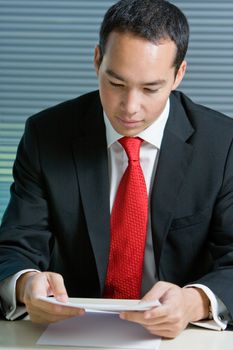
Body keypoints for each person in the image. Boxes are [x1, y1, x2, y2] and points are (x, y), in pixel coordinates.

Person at [0, 0, 233, 339]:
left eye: (151, 88)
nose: (130, 107)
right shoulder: (46, 135)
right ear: (97, 60)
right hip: (69, 335)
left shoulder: (223, 144)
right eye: (116, 83)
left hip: (182, 339)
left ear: (178, 74)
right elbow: (13, 248)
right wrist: (25, 285)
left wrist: (194, 301)